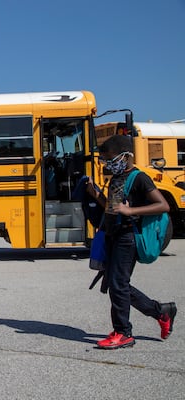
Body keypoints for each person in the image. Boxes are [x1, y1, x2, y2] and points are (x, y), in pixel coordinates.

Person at [86, 135, 177, 349]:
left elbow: (163, 205)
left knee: (117, 284)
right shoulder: (116, 178)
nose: (108, 163)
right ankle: (161, 311)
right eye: (105, 160)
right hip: (114, 235)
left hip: (128, 237)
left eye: (111, 158)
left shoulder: (140, 178)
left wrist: (131, 210)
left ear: (126, 156)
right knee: (117, 284)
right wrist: (96, 195)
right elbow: (113, 207)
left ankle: (123, 333)